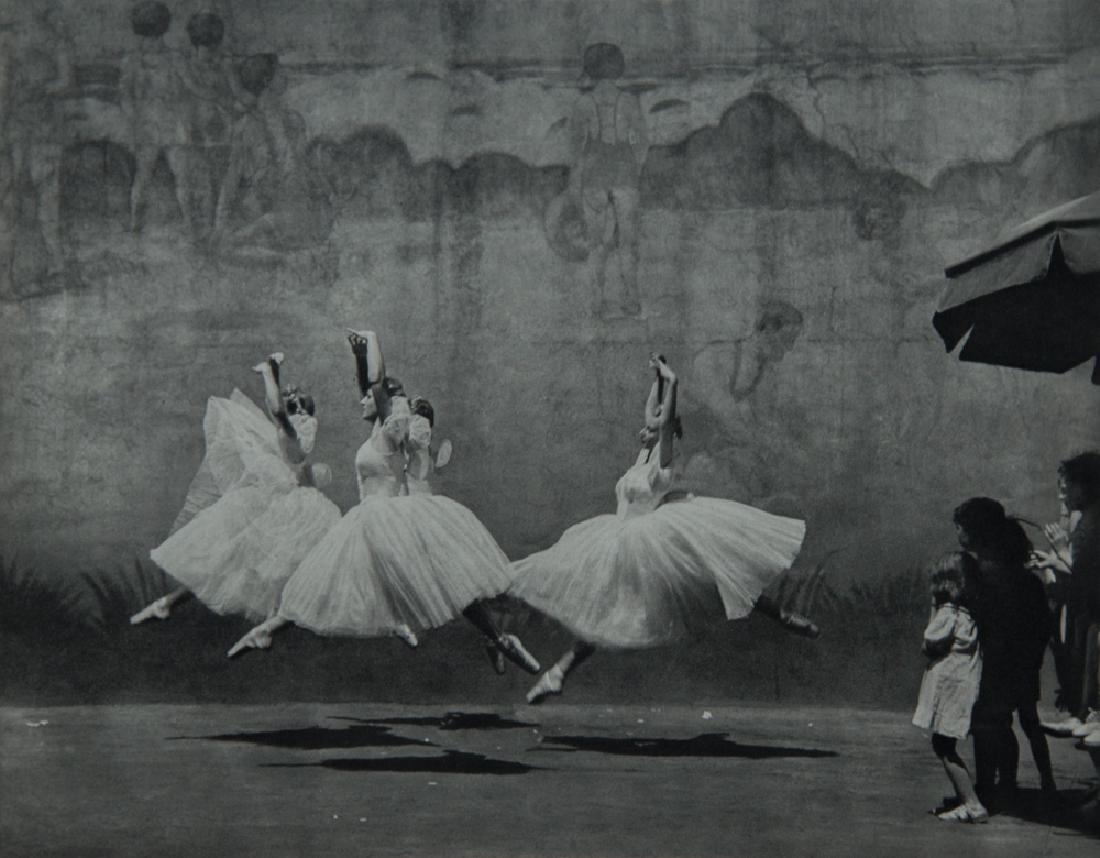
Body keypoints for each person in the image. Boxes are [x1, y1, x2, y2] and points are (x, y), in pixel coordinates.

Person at [227, 331, 541, 675]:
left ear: (386, 405)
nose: (361, 401)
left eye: (368, 399)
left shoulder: (388, 432)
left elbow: (376, 383)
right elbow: (369, 385)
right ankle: (493, 638)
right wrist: (358, 356)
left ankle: (495, 637)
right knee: (330, 579)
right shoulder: (380, 429)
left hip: (388, 516)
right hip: (371, 518)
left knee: (436, 584)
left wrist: (371, 339)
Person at [511, 353, 816, 705]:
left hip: (645, 540)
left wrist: (672, 383)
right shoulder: (640, 459)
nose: (645, 424)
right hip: (616, 535)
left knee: (714, 579)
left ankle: (782, 615)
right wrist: (656, 378)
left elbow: (664, 418)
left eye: (654, 424)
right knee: (602, 613)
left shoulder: (664, 465)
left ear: (665, 433)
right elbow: (653, 412)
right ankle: (557, 673)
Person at [133, 353, 340, 626]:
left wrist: (274, 372)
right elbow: (276, 410)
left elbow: (277, 410)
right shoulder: (287, 434)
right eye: (296, 408)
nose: (302, 413)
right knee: (229, 563)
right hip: (276, 502)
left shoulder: (299, 436)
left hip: (291, 502)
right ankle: (168, 603)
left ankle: (275, 624)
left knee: (275, 568)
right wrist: (269, 373)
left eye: (306, 408)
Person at [954, 497, 1057, 805]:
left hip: (993, 662)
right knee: (1009, 723)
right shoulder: (1023, 577)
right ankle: (1013, 785)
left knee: (987, 724)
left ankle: (988, 787)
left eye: (960, 528)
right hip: (1022, 663)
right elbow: (1042, 624)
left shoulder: (980, 575)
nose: (958, 534)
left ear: (974, 531)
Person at [912, 551, 987, 823]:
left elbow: (929, 642)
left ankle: (972, 804)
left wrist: (934, 608)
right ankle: (967, 797)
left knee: (943, 745)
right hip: (965, 683)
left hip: (950, 686)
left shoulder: (948, 613)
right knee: (946, 743)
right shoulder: (971, 615)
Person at [1031, 452, 1100, 746]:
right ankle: (1084, 713)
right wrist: (1055, 559)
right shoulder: (1087, 518)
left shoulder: (1093, 520)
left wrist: (1059, 552)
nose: (1066, 494)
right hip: (1087, 607)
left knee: (1093, 656)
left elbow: (1083, 572)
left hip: (1093, 606)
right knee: (1085, 658)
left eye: (1069, 486)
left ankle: (1091, 714)